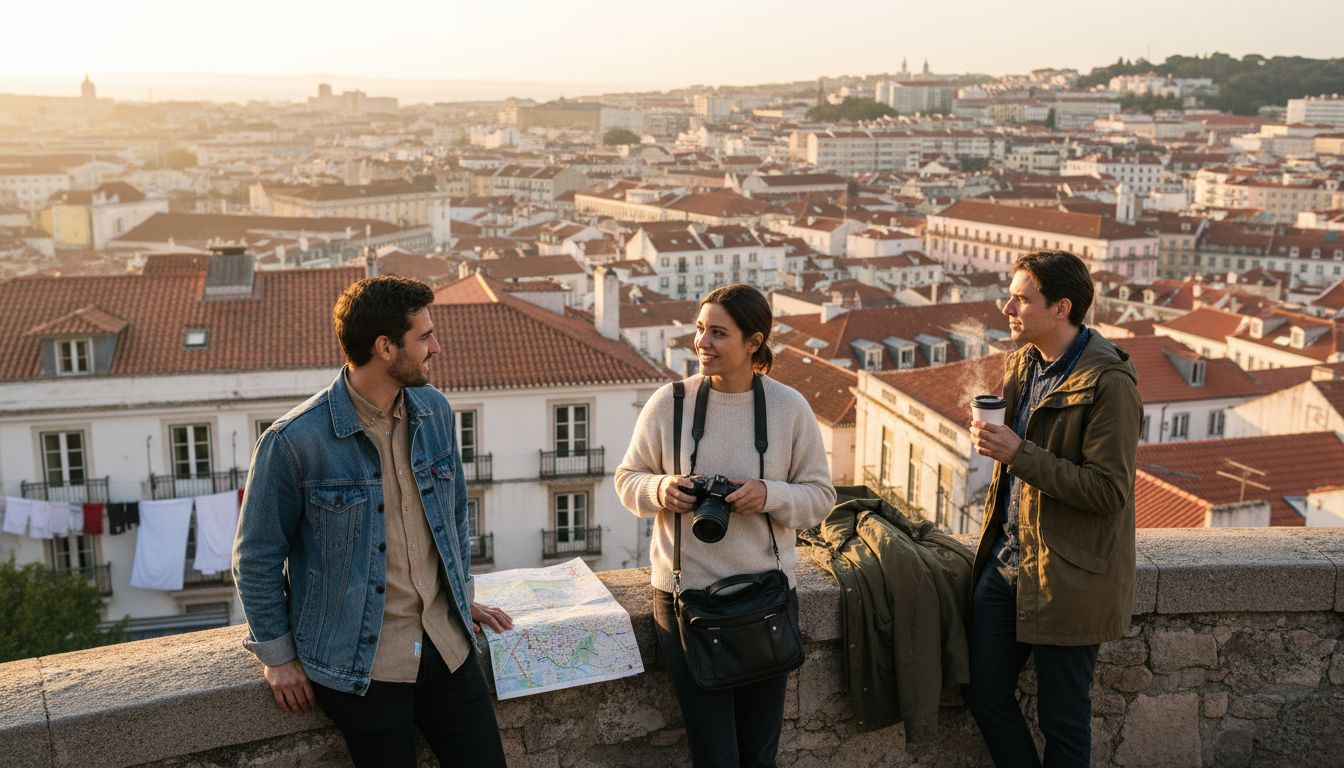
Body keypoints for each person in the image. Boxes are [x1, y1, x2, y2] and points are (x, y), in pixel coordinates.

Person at [233, 275, 514, 768]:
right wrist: (277, 656)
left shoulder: (435, 410)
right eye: (424, 337)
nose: (437, 347)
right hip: (362, 664)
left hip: (446, 644)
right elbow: (255, 556)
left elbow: (450, 513)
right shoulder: (295, 441)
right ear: (385, 347)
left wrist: (460, 594)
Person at [615, 283, 836, 768]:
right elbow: (627, 480)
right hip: (684, 603)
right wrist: (662, 490)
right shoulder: (669, 403)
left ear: (754, 342)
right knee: (714, 755)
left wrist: (767, 495)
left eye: (718, 333)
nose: (702, 343)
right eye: (699, 329)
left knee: (760, 754)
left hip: (766, 600)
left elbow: (821, 497)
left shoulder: (788, 408)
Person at [964, 251, 1141, 767]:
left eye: (1021, 298)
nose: (1007, 307)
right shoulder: (1021, 362)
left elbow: (1109, 491)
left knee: (1063, 720)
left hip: (1070, 575)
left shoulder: (1110, 383)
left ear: (1061, 307)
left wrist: (1019, 453)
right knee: (981, 688)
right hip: (1006, 561)